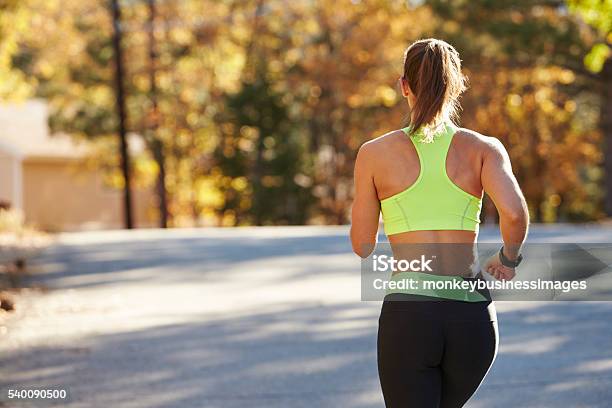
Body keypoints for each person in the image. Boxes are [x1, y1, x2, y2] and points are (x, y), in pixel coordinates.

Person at [350, 38, 529, 408]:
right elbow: (514, 213)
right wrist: (508, 259)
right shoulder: (484, 149)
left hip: (410, 314)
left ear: (404, 86)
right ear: (458, 83)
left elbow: (362, 244)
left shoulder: (373, 154)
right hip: (472, 315)